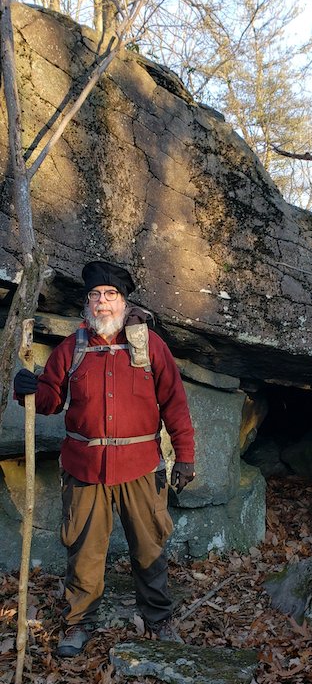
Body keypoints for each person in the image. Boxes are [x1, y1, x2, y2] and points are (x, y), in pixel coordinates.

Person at [14, 261, 195, 657]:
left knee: (149, 548)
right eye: (95, 295)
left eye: (110, 295)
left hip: (140, 469)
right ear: (87, 303)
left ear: (124, 303)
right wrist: (28, 388)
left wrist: (185, 456)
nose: (102, 302)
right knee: (83, 551)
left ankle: (158, 620)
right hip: (84, 470)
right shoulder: (72, 348)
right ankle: (78, 625)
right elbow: (48, 401)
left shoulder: (151, 347)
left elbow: (175, 404)